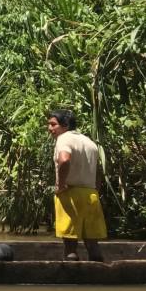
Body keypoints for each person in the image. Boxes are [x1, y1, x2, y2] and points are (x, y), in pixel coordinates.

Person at [47, 110, 107, 262]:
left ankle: (72, 280)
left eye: (53, 124)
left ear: (65, 125)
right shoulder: (90, 143)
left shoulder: (64, 139)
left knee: (70, 247)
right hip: (91, 195)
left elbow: (65, 160)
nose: (49, 128)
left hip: (71, 194)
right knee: (93, 244)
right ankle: (98, 277)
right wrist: (95, 190)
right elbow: (98, 171)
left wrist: (60, 185)